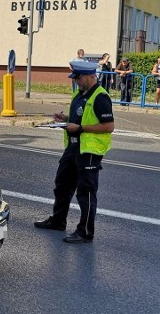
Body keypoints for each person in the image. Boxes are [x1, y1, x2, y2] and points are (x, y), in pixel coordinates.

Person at [34, 59, 114, 244]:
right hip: (73, 148)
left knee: (85, 192)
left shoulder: (100, 96)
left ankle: (85, 232)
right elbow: (78, 117)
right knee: (62, 184)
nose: (76, 81)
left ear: (90, 76)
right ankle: (58, 221)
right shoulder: (79, 93)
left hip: (89, 151)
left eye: (78, 78)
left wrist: (79, 128)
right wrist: (65, 119)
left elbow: (108, 126)